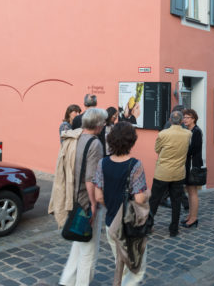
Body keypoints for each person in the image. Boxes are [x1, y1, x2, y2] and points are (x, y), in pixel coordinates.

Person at [93, 122, 148, 285]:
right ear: (131, 141)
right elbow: (139, 199)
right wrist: (147, 193)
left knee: (120, 262)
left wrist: (112, 205)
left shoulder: (102, 163)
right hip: (130, 226)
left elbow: (98, 196)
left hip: (112, 223)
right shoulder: (135, 165)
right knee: (136, 269)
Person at [57, 108, 107, 286]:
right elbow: (90, 179)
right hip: (86, 201)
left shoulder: (74, 138)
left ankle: (67, 281)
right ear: (99, 125)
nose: (104, 126)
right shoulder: (95, 143)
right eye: (104, 123)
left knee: (78, 244)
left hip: (73, 197)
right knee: (88, 251)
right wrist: (93, 205)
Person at [148, 111, 191, 237]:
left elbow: (157, 149)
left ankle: (148, 226)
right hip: (178, 173)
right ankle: (174, 230)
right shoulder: (188, 134)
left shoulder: (163, 134)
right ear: (182, 121)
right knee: (176, 202)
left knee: (154, 201)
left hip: (162, 172)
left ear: (170, 120)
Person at [160, 105, 189, 210]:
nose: (184, 117)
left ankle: (164, 199)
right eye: (183, 115)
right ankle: (185, 203)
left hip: (176, 158)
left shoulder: (180, 125)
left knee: (173, 182)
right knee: (176, 182)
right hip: (172, 158)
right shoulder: (170, 125)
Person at [181, 109, 203, 228]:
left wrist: (181, 151)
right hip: (187, 164)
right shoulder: (187, 130)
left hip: (193, 165)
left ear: (193, 119)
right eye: (184, 117)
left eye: (187, 117)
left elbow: (194, 149)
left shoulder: (196, 131)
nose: (185, 119)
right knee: (189, 191)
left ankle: (194, 218)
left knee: (193, 192)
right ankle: (190, 215)